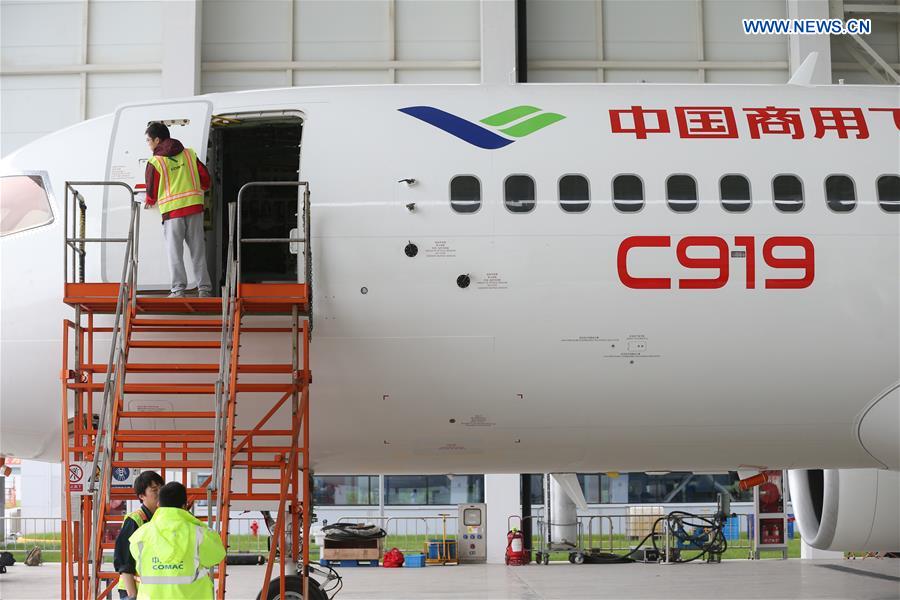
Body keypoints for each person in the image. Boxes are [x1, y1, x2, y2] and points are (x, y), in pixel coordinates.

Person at [144, 122, 213, 298]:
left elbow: (151, 191)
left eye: (148, 141)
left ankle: (178, 290)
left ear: (157, 140)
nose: (148, 145)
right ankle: (204, 288)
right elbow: (206, 179)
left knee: (175, 252)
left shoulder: (155, 161)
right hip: (194, 208)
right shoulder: (189, 154)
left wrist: (150, 201)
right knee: (198, 250)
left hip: (173, 213)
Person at [129, 481, 226, 600]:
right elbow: (217, 555)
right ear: (184, 505)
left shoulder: (140, 535)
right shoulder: (198, 533)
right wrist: (198, 523)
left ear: (159, 504)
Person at [114, 471, 164, 600]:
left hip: (152, 590)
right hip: (134, 589)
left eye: (161, 489)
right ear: (142, 496)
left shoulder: (162, 519)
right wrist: (132, 595)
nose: (160, 493)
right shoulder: (134, 520)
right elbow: (125, 561)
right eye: (154, 490)